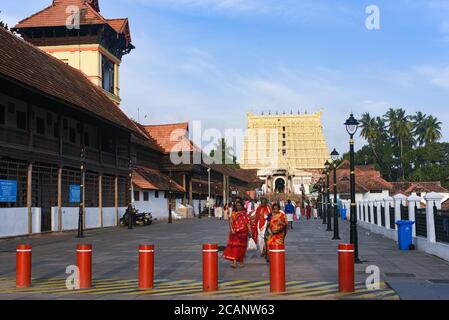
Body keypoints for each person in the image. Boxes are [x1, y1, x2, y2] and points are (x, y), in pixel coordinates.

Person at [223, 201, 252, 268]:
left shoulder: (245, 214)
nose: (238, 207)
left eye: (239, 205)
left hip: (243, 234)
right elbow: (230, 222)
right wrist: (232, 230)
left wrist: (250, 232)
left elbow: (248, 223)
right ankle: (234, 262)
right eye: (237, 205)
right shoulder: (233, 214)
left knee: (241, 248)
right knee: (235, 248)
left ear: (242, 206)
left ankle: (241, 261)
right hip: (235, 233)